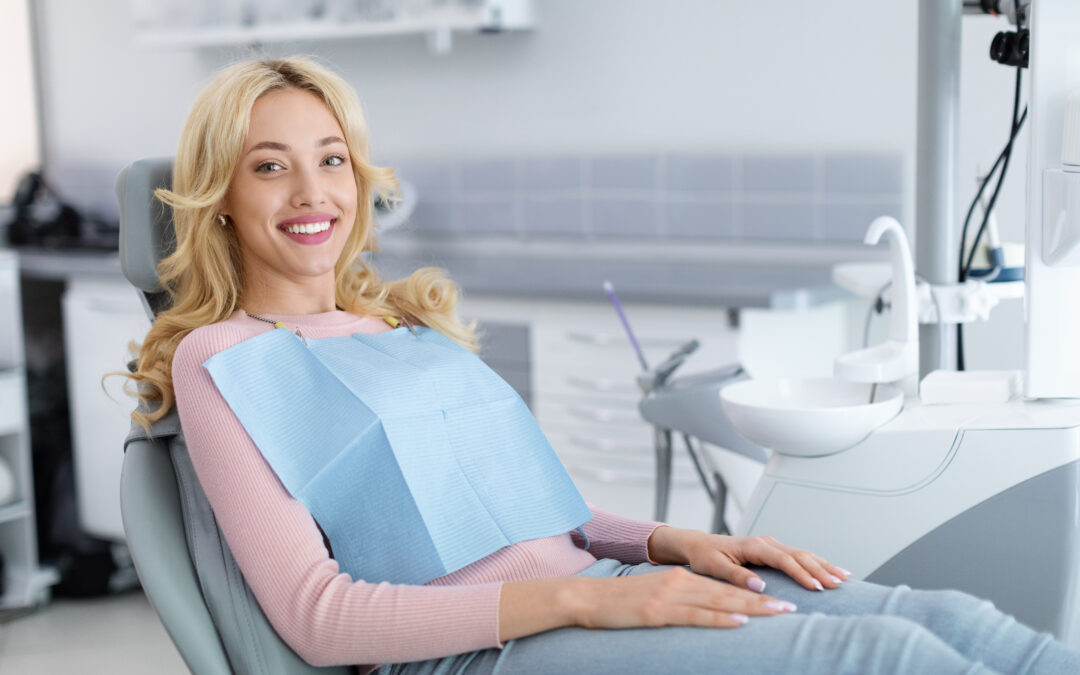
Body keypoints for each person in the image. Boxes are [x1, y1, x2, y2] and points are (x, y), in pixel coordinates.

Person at [128, 57, 1080, 675]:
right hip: (484, 651)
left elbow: (536, 515)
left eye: (332, 160)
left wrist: (671, 544)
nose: (312, 192)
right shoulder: (226, 361)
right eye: (269, 166)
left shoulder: (396, 328)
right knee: (877, 658)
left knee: (948, 620)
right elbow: (319, 616)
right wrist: (591, 599)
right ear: (217, 195)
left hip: (591, 591)